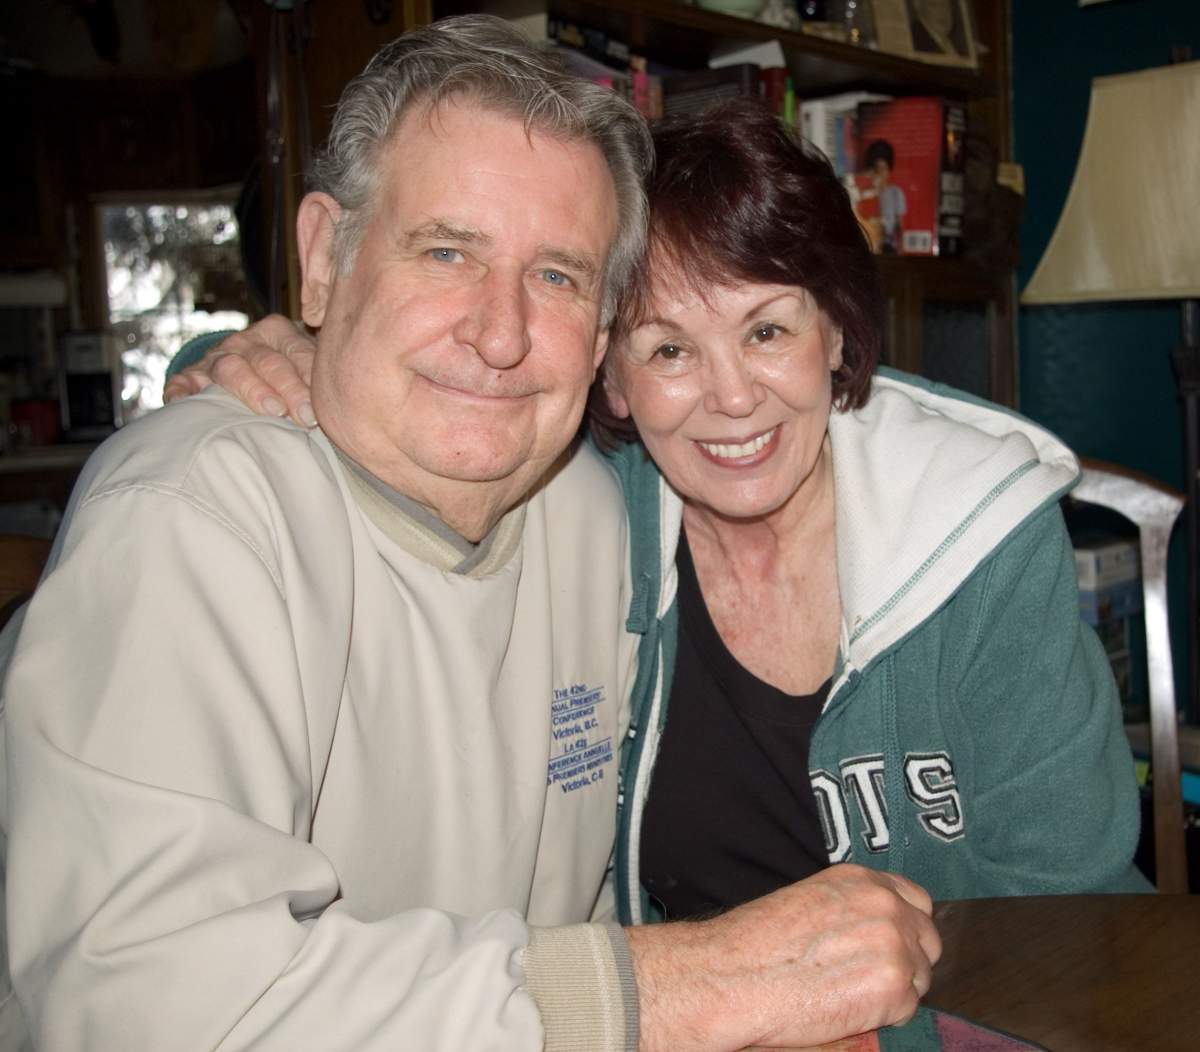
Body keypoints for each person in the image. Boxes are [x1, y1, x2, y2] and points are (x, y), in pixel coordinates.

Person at [0, 19, 940, 1052]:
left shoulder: (600, 513)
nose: (500, 334)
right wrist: (692, 985)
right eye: (447, 252)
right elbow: (139, 1007)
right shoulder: (191, 520)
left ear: (601, 336)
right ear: (323, 259)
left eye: (558, 277)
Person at [173, 99, 1147, 940]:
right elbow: (433, 392)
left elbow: (1069, 917)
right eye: (669, 349)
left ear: (837, 328)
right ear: (613, 373)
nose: (731, 397)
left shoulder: (976, 531)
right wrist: (262, 345)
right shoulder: (599, 493)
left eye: (766, 329)